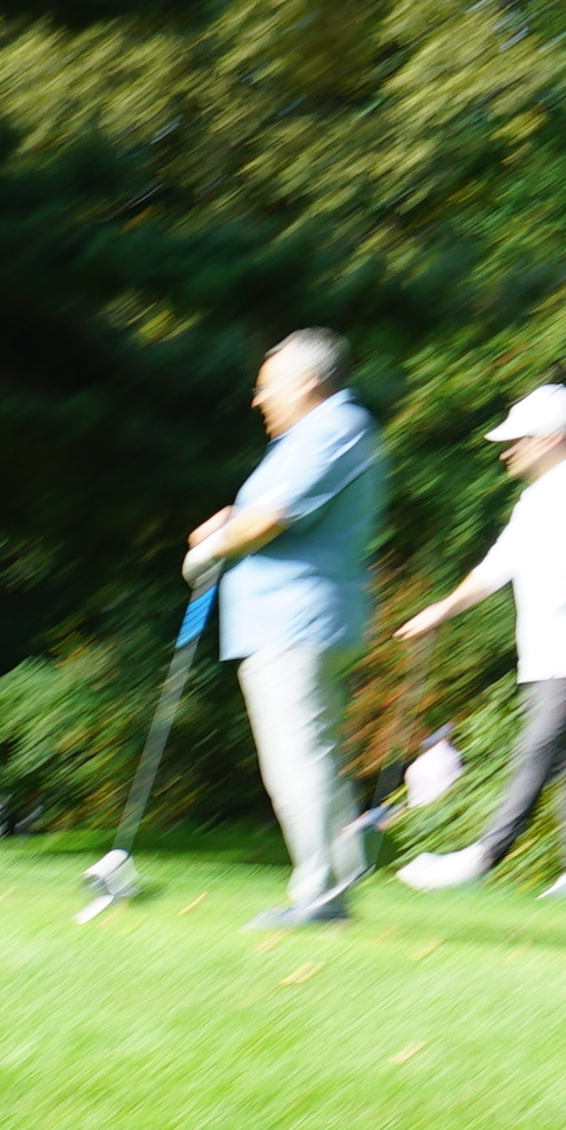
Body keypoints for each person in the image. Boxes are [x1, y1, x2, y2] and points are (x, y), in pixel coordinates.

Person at [182, 327, 385, 929]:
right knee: (309, 755)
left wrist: (213, 545)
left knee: (298, 760)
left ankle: (319, 894)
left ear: (306, 383)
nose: (257, 399)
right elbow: (262, 513)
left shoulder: (332, 427)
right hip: (292, 619)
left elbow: (270, 517)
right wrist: (230, 523)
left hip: (295, 621)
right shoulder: (315, 435)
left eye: (266, 386)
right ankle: (333, 889)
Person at [393, 381, 566, 898]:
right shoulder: (533, 499)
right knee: (562, 754)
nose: (507, 450)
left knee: (537, 748)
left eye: (517, 440)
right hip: (544, 651)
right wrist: (441, 610)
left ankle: (484, 856)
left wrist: (565, 555)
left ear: (551, 438)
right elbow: (495, 568)